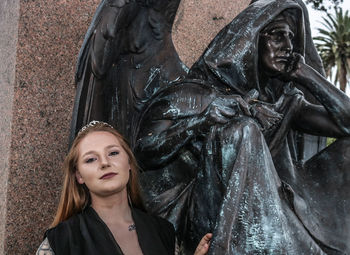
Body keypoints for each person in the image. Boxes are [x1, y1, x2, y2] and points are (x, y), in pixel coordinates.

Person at [134, 0, 350, 254]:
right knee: (242, 130)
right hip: (206, 220)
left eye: (291, 38)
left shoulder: (285, 101)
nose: (289, 47)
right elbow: (143, 151)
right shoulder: (194, 92)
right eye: (277, 36)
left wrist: (306, 74)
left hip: (273, 212)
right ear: (252, 38)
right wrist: (201, 123)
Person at [36, 121, 212, 255]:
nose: (105, 163)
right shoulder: (61, 240)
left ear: (128, 162)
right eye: (91, 159)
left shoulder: (163, 231)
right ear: (79, 176)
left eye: (113, 153)